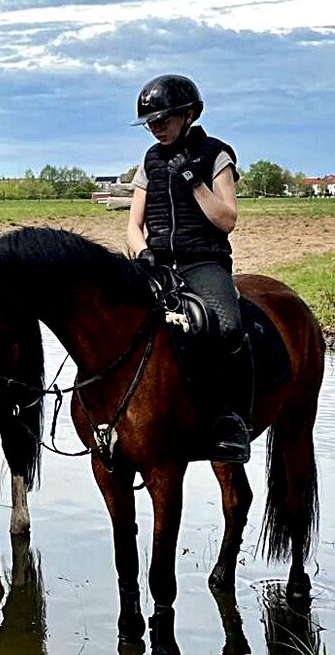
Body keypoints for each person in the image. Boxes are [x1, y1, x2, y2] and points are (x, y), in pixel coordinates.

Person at [125, 74, 251, 464]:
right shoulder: (149, 161)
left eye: (163, 119)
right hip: (158, 263)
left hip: (203, 262)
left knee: (227, 325)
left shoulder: (215, 155)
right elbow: (133, 224)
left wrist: (194, 182)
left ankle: (231, 419)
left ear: (189, 114)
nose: (156, 128)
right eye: (151, 122)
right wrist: (142, 251)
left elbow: (227, 219)